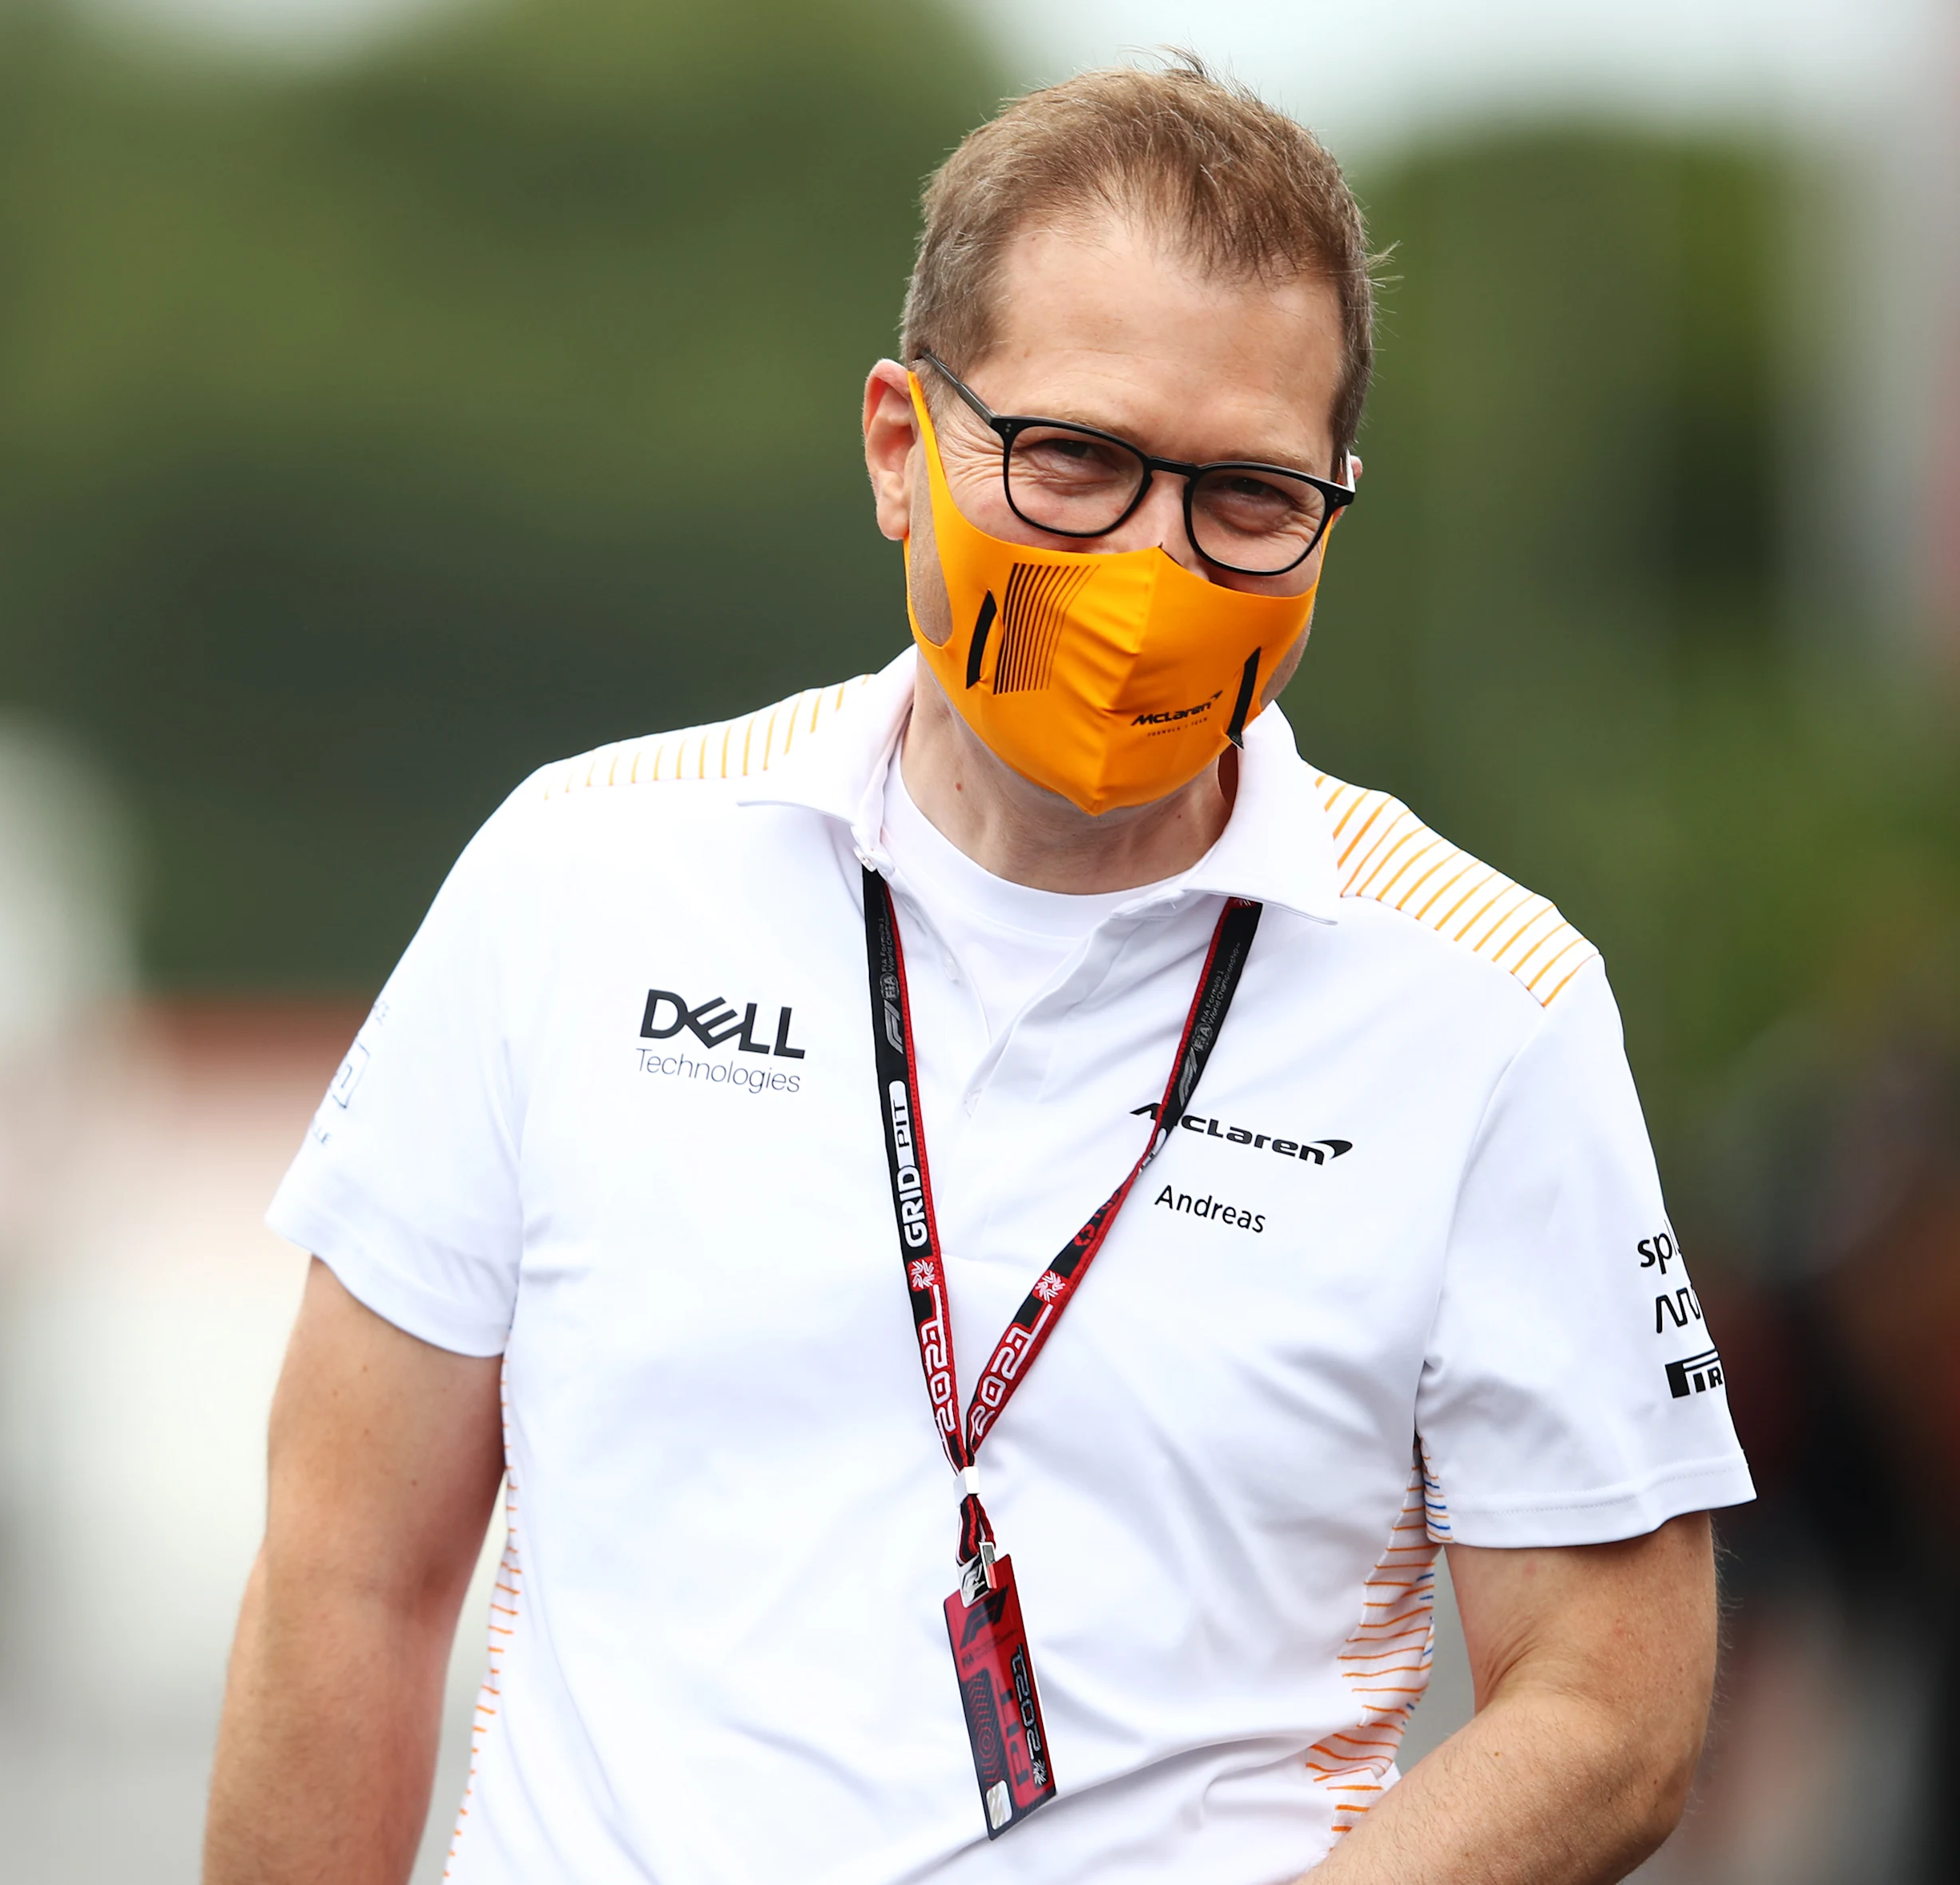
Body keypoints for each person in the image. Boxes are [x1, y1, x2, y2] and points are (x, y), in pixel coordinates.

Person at [207, 59, 1751, 1885]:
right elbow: (348, 1572)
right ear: (897, 446)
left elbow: (1612, 1702)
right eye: (1075, 460)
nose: (1147, 566)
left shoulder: (1486, 1008)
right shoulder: (582, 876)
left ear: (1334, 508)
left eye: (1246, 497)